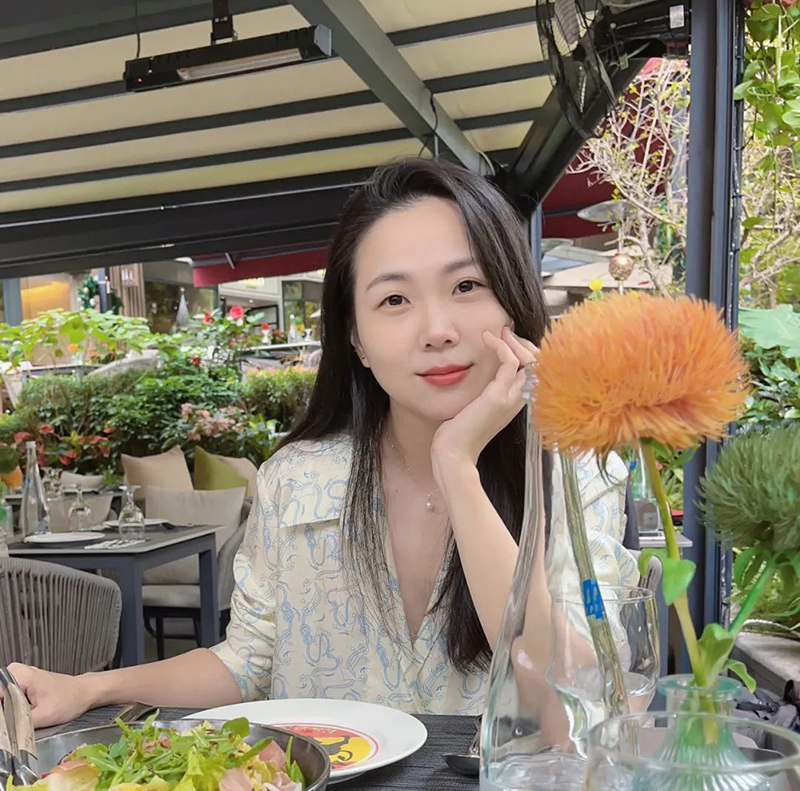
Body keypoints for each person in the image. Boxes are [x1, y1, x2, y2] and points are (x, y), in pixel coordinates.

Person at [8, 158, 637, 727]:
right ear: (357, 338)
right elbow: (248, 661)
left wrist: (457, 465)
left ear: (514, 303)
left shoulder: (577, 470)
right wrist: (91, 686)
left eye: (467, 286)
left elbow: (569, 703)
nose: (438, 329)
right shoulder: (298, 478)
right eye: (394, 299)